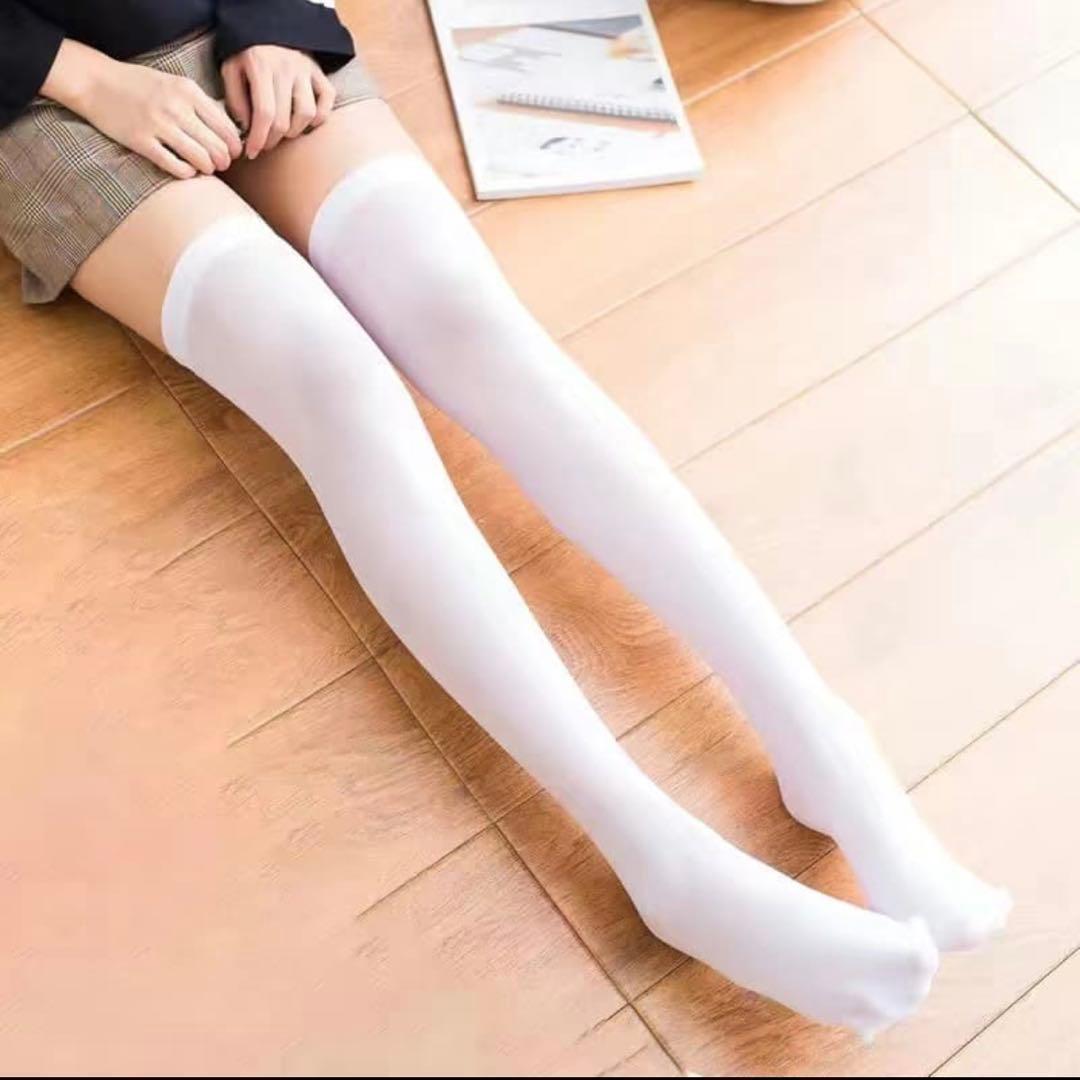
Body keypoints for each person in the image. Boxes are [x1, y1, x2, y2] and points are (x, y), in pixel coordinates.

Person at [0, 0, 1010, 1041]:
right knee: (333, 382)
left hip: (226, 18)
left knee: (463, 309)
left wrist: (271, 19)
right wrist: (86, 78)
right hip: (39, 91)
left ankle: (818, 736)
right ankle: (658, 853)